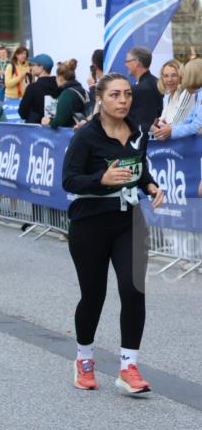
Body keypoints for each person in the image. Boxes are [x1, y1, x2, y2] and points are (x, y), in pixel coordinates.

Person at [62, 72, 164, 394]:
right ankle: (84, 360)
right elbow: (69, 180)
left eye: (127, 95)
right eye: (115, 95)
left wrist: (149, 185)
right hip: (90, 222)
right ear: (100, 98)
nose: (123, 101)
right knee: (94, 296)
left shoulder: (138, 131)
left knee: (133, 290)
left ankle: (128, 367)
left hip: (128, 221)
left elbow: (140, 167)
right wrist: (101, 181)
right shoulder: (86, 137)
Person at [151, 57, 202, 140]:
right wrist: (161, 125)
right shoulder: (168, 96)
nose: (169, 80)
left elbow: (197, 125)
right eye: (166, 76)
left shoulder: (189, 93)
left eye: (174, 75)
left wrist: (170, 129)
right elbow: (189, 120)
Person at [125, 46, 163, 135]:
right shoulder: (158, 82)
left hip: (144, 141)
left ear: (137, 62)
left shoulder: (138, 89)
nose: (125, 64)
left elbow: (137, 121)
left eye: (127, 61)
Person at [42, 59, 89, 129]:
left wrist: (49, 122)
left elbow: (60, 122)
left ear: (60, 77)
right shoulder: (84, 91)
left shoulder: (67, 94)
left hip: (71, 135)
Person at [19, 53, 60, 124]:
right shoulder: (58, 85)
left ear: (41, 67)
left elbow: (22, 113)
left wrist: (28, 89)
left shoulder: (33, 88)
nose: (31, 68)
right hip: (54, 128)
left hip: (35, 130)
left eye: (33, 65)